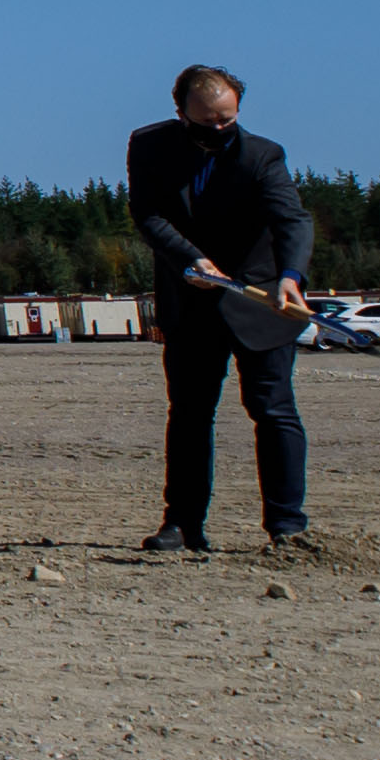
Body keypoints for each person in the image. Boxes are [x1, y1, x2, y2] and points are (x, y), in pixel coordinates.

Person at [129, 63, 315, 551]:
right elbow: (148, 214)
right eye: (206, 120)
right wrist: (191, 259)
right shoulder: (149, 145)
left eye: (226, 119)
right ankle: (182, 525)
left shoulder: (263, 156)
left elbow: (292, 220)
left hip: (262, 300)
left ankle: (287, 527)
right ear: (180, 111)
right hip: (190, 300)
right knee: (189, 413)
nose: (217, 129)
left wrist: (292, 278)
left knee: (273, 410)